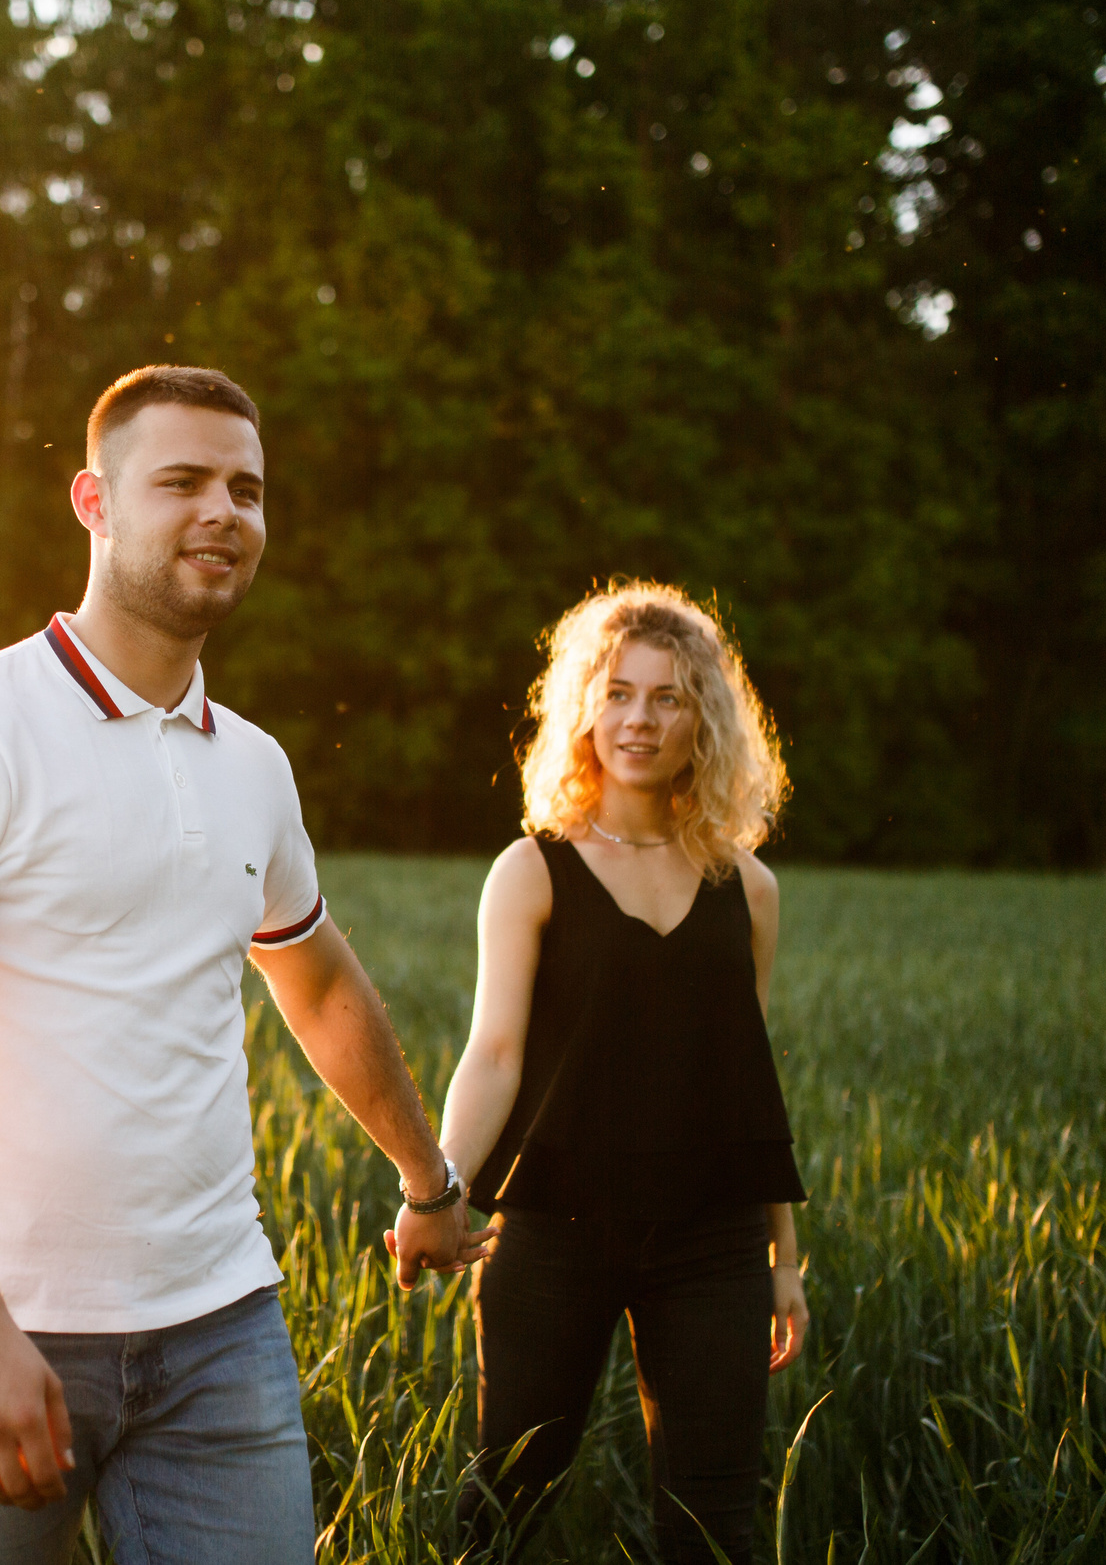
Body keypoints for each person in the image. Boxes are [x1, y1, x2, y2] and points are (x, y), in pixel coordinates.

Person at [0, 365, 492, 1565]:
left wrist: (427, 1181)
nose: (222, 512)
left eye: (246, 489)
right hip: (2, 1331)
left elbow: (321, 982)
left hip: (220, 1333)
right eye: (181, 481)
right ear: (93, 501)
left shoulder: (252, 765)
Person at [419, 581, 809, 1563]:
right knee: (500, 1511)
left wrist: (784, 1260)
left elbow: (745, 1087)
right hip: (554, 1234)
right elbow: (493, 1052)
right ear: (585, 709)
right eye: (620, 692)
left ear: (703, 720)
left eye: (669, 697)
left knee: (714, 1527)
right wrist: (442, 1188)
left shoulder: (747, 888)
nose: (640, 718)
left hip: (713, 1246)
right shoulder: (531, 871)